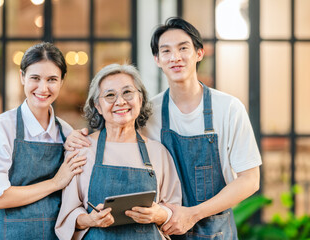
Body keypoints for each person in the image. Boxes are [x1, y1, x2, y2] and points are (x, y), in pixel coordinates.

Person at [64, 17, 262, 239]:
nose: (175, 57)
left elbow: (250, 180)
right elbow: (120, 143)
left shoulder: (228, 108)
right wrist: (77, 136)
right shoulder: (148, 112)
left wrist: (192, 214)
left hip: (216, 231)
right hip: (165, 231)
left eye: (183, 48)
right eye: (166, 51)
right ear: (157, 59)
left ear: (199, 53)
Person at [55, 63, 182, 240]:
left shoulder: (158, 152)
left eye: (127, 92)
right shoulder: (82, 150)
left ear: (141, 99)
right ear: (97, 106)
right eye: (110, 95)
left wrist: (159, 214)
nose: (120, 101)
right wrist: (90, 220)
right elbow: (68, 214)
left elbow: (173, 210)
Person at [0, 42, 86, 240]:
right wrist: (55, 183)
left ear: (62, 81)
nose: (43, 88)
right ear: (22, 77)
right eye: (35, 78)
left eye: (52, 79)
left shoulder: (66, 132)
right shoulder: (2, 128)